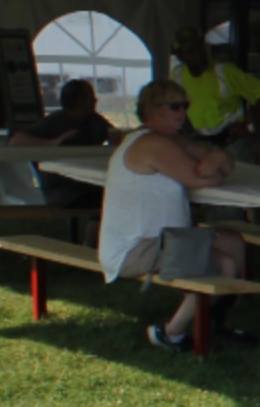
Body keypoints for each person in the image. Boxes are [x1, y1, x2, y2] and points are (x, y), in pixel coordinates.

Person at [99, 79, 250, 350]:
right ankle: (171, 332)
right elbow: (202, 178)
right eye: (175, 106)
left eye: (185, 105)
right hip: (135, 246)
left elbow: (223, 164)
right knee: (224, 264)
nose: (183, 112)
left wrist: (216, 158)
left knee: (232, 241)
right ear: (153, 110)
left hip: (165, 239)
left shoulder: (171, 140)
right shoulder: (152, 143)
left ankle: (213, 324)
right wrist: (214, 161)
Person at [11, 79, 118, 210]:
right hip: (64, 191)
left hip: (91, 184)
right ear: (79, 100)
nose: (96, 100)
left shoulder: (95, 120)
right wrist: (52, 143)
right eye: (91, 97)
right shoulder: (54, 121)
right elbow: (16, 140)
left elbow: (116, 137)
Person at [172, 27, 260, 152]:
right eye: (191, 50)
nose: (198, 53)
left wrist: (249, 126)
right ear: (181, 56)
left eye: (200, 46)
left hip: (231, 141)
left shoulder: (225, 71)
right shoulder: (177, 76)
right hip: (198, 140)